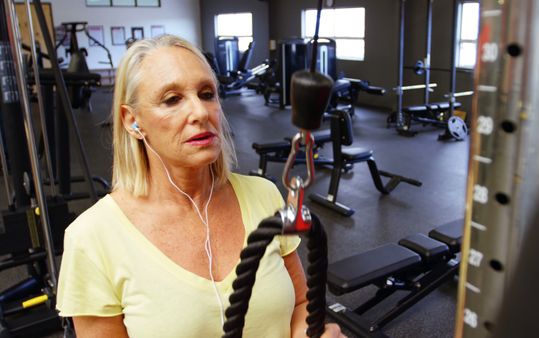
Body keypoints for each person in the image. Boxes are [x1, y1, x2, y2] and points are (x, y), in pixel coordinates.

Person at [56, 34, 344, 338]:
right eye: (172, 99)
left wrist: (307, 334)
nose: (200, 112)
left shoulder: (263, 195)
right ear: (132, 121)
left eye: (207, 94)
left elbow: (301, 303)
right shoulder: (92, 238)